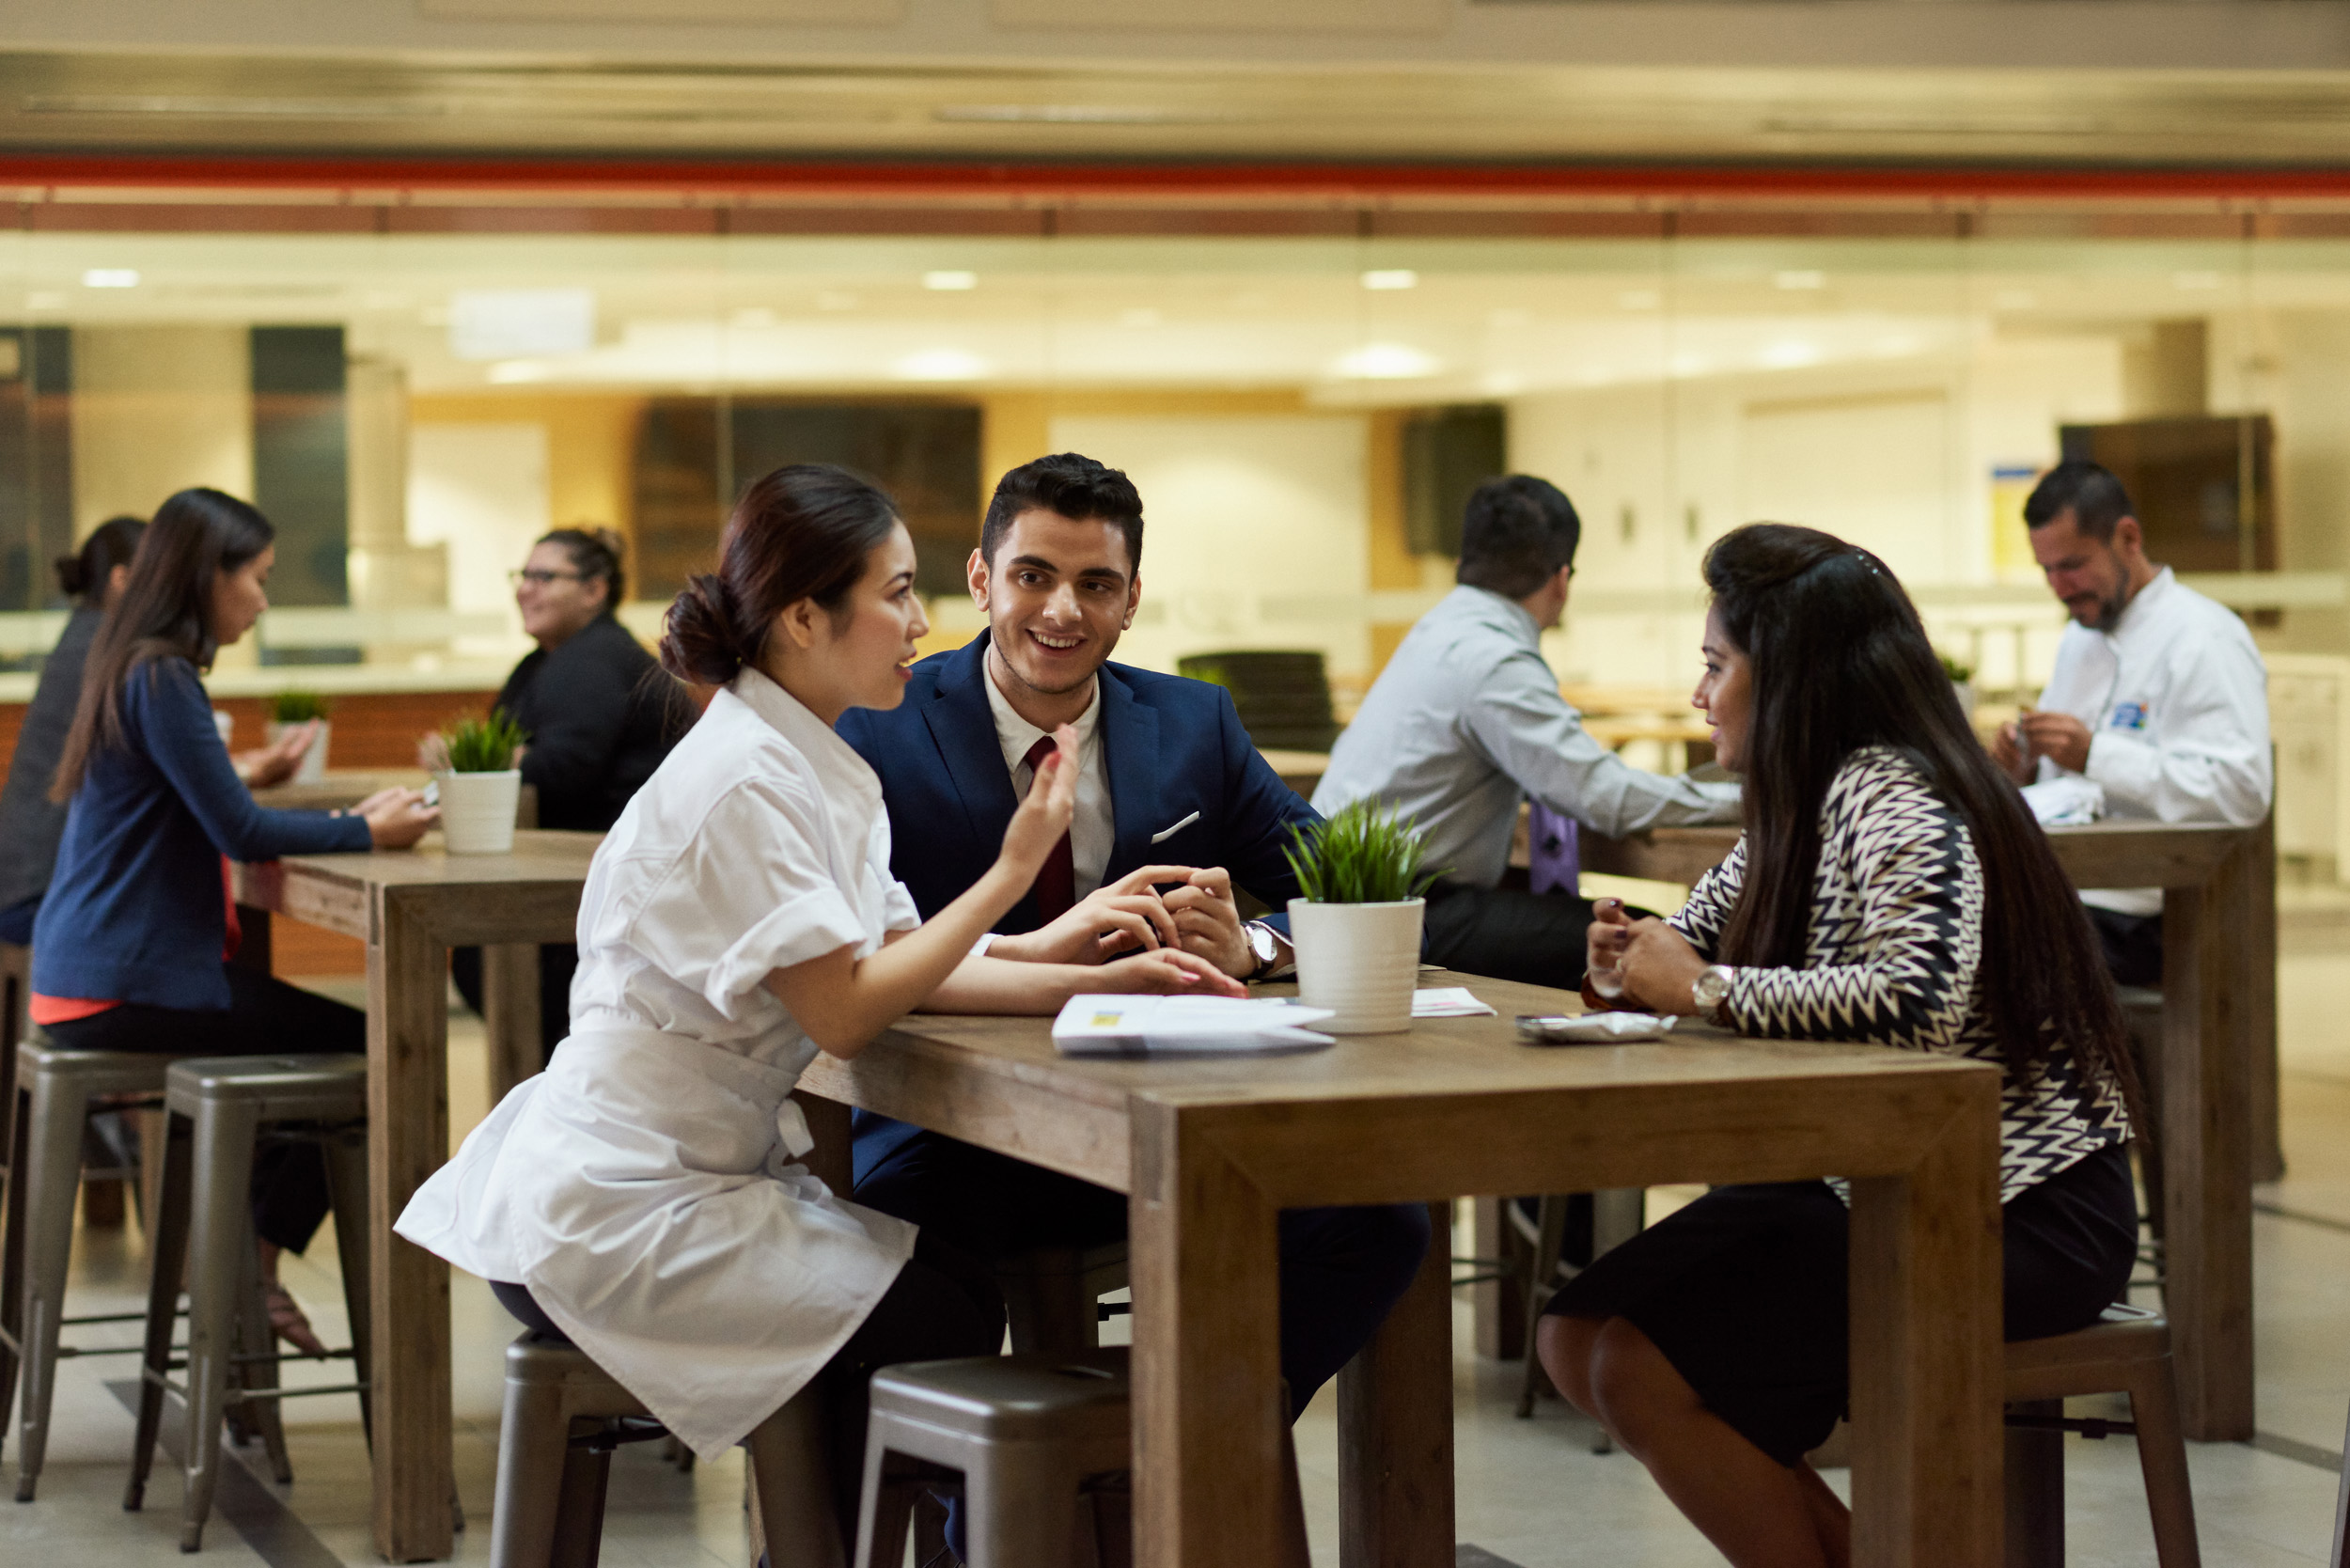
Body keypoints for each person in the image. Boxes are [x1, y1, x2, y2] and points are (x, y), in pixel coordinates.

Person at [395, 464, 1239, 1543]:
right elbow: (846, 1012)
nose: (918, 623)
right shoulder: (747, 778)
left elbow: (898, 953)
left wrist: (1079, 962)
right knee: (942, 1308)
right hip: (620, 1210)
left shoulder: (804, 758)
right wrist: (1010, 868)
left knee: (950, 1285)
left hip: (672, 1179)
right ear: (804, 615)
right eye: (894, 593)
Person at [1538, 525, 2141, 1568]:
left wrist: (1704, 988)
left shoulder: (1896, 789)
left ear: (1792, 677)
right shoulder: (1801, 799)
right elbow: (1696, 934)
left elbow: (1918, 1002)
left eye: (1715, 666)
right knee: (1578, 1334)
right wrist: (1636, 956)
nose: (1698, 695)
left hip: (2014, 1211)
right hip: (1882, 1188)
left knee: (1634, 1357)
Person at [838, 451, 1433, 1422]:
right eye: (1034, 576)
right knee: (902, 1279)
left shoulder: (1193, 720)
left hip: (1161, 1124)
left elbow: (1359, 883)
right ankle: (990, 1522)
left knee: (1378, 1220)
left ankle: (1197, 1440)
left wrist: (1257, 944)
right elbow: (851, 954)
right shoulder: (881, 721)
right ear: (983, 581)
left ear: (1131, 601)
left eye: (1095, 584)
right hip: (949, 1129)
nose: (1062, 610)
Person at [33, 488, 437, 1350]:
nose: (261, 598)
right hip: (123, 981)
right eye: (254, 578)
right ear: (202, 576)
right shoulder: (163, 673)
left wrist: (284, 795)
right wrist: (373, 828)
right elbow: (240, 834)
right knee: (380, 1050)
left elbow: (200, 803)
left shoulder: (130, 662)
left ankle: (239, 1262)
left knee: (320, 1043)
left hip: (85, 974)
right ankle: (252, 1257)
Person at [1313, 475, 1739, 988]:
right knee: (1645, 934)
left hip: (1349, 904)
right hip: (1402, 913)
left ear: (1460, 565)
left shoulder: (1439, 631)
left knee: (1613, 925)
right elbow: (1606, 799)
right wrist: (1747, 798)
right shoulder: (1494, 659)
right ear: (1561, 580)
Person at [1992, 460, 2272, 986]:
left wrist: (2096, 755)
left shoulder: (2204, 639)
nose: (2059, 587)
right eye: (2046, 570)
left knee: (1992, 962)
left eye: (2071, 565)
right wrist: (2023, 763)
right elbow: (2065, 790)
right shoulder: (2080, 639)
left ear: (2128, 538)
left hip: (2151, 911)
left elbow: (2241, 791)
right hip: (2073, 891)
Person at [446, 526, 678, 1062]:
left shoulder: (592, 661)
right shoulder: (554, 659)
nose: (525, 589)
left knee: (490, 965)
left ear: (594, 590)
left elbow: (560, 768)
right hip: (582, 883)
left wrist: (495, 759)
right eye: (522, 576)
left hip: (605, 893)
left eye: (544, 576)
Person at [0, 517, 146, 946]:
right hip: (38, 891)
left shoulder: (84, 632)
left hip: (20, 878)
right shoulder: (108, 648)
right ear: (122, 579)